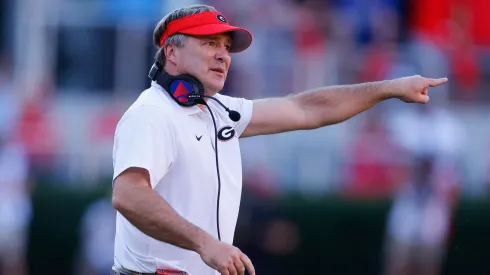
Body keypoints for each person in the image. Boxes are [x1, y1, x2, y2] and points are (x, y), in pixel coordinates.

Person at [110, 4, 448, 275]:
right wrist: (205, 243)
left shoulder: (219, 110)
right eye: (209, 43)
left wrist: (387, 88)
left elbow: (304, 109)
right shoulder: (152, 113)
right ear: (171, 52)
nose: (223, 55)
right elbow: (128, 194)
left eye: (226, 47)